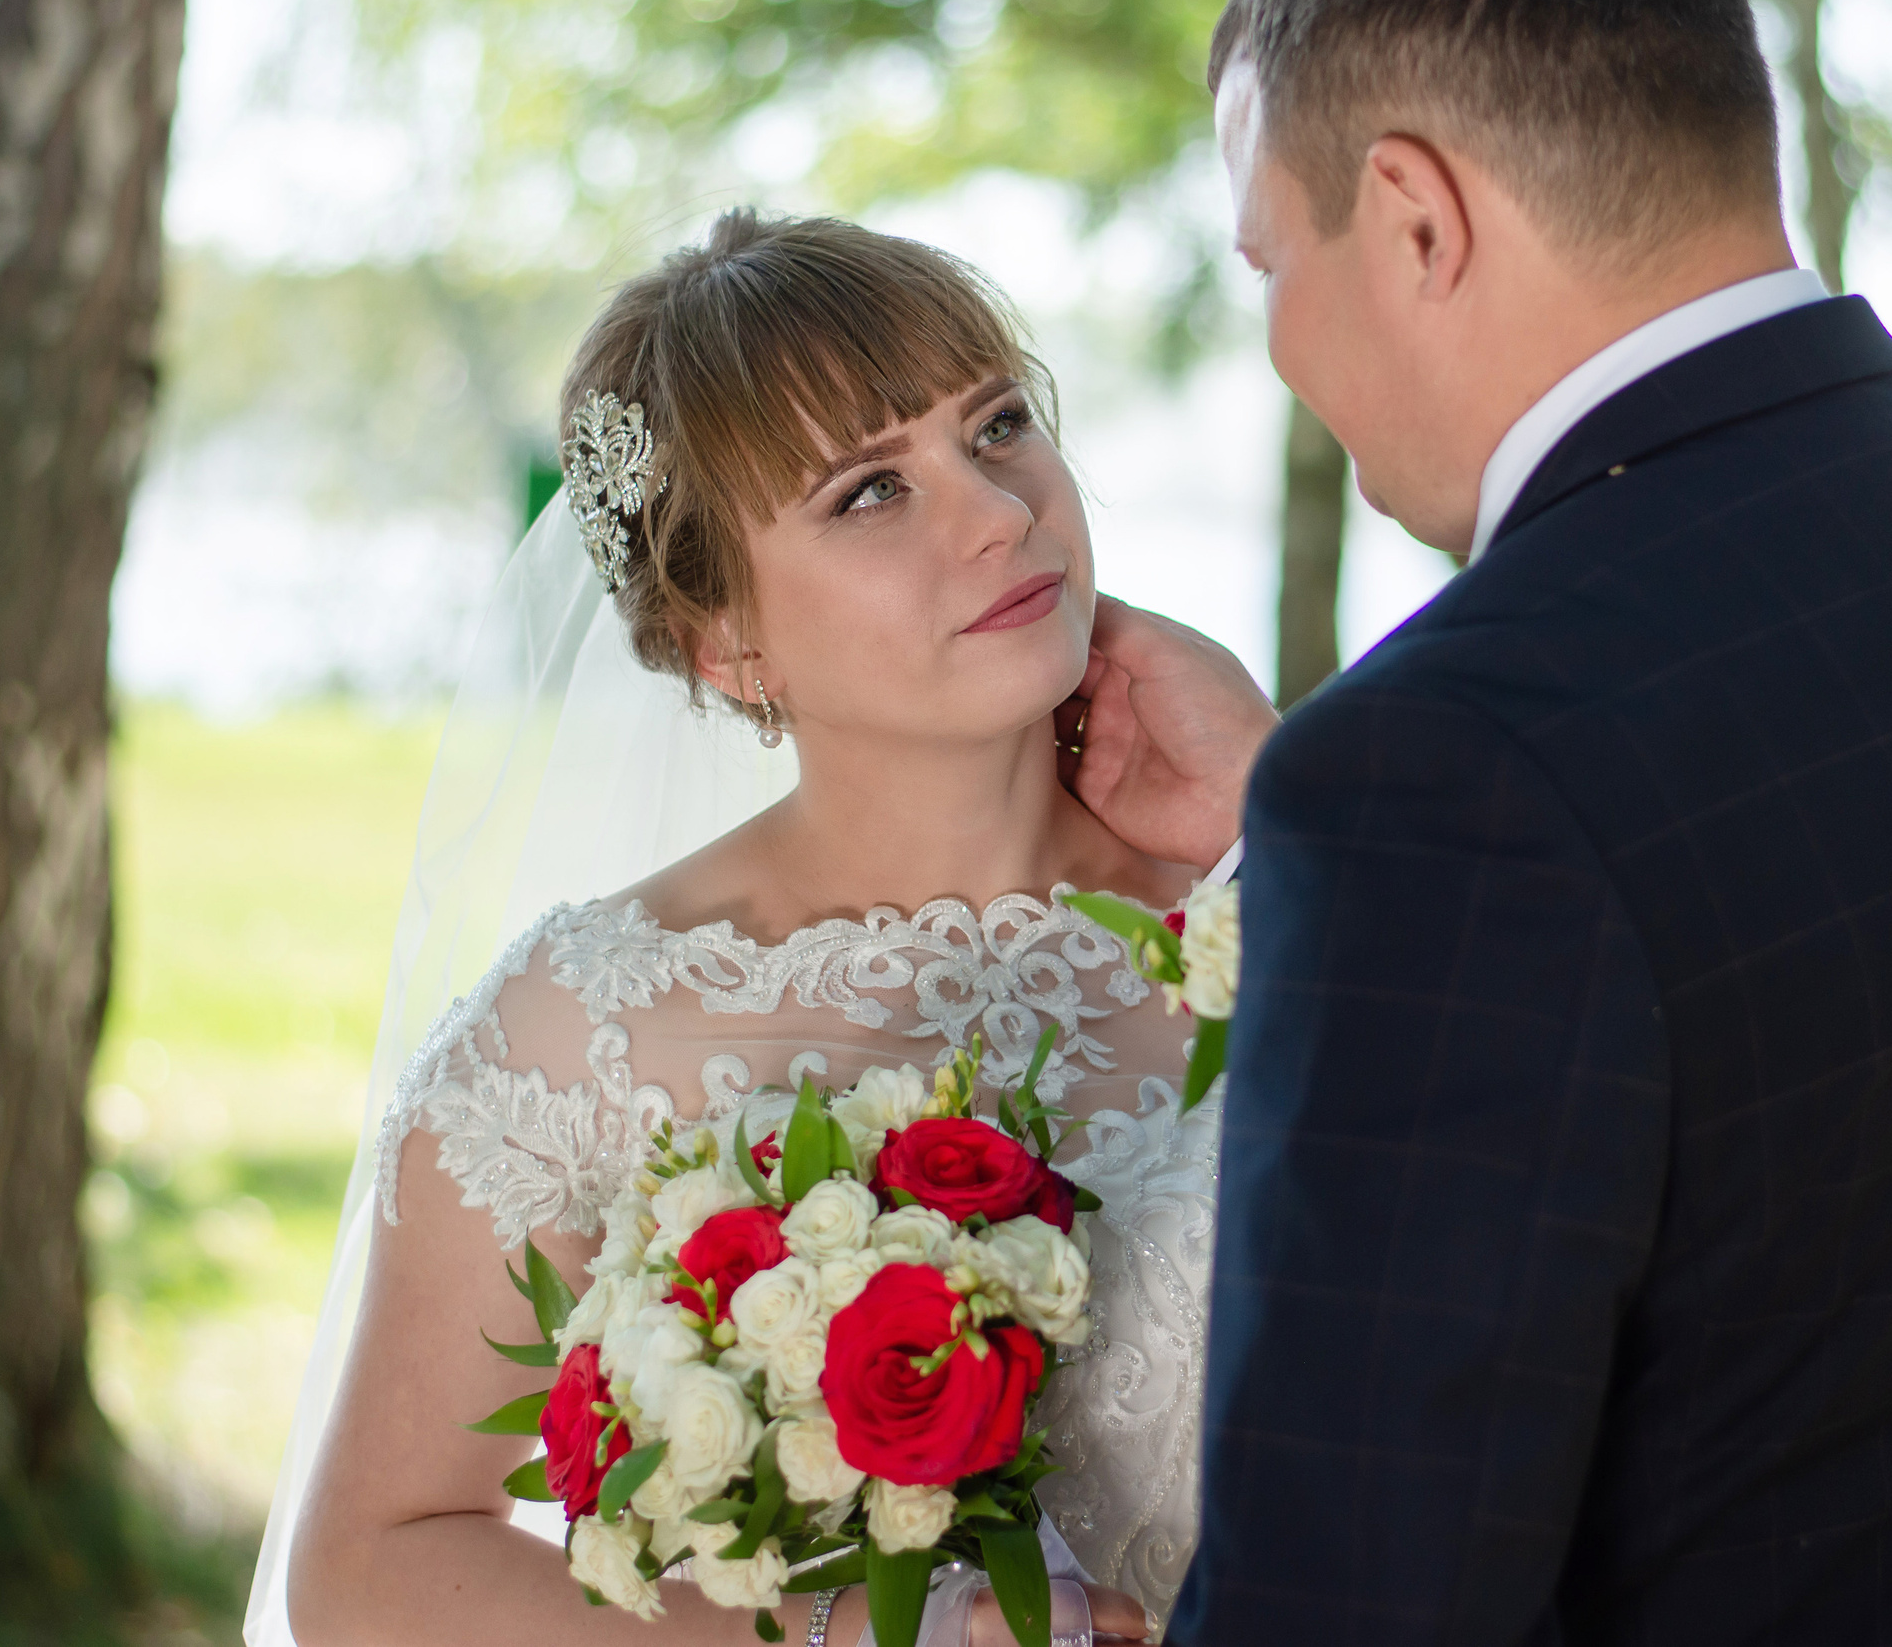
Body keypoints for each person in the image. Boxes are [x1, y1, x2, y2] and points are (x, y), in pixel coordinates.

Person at [1061, 0, 1892, 1640]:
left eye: (1271, 259)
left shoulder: (1448, 764)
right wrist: (1295, 829)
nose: (1280, 344)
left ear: (1414, 218)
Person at [255, 213, 1252, 1646]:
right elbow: (367, 1563)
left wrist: (1288, 820)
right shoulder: (587, 1024)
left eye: (1001, 423)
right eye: (868, 493)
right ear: (726, 638)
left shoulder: (1288, 882)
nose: (997, 510)